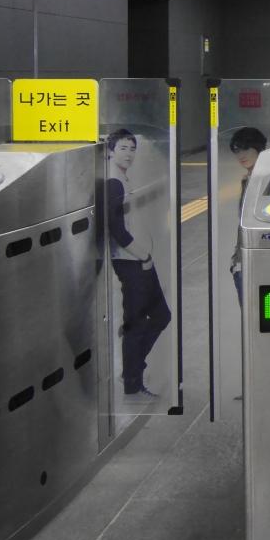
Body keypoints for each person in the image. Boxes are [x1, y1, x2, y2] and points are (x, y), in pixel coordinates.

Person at [105, 128, 172, 403]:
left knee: (160, 316)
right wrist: (143, 256)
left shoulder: (122, 178)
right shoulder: (113, 182)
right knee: (137, 323)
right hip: (130, 262)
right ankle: (132, 381)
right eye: (123, 148)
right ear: (110, 151)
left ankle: (133, 369)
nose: (129, 154)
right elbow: (116, 229)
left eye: (132, 148)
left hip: (138, 259)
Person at [228, 127, 267, 306]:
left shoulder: (266, 179)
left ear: (258, 148)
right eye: (237, 151)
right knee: (251, 316)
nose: (241, 155)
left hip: (259, 262)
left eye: (246, 149)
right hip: (243, 261)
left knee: (258, 315)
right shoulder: (247, 180)